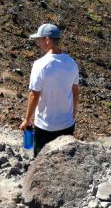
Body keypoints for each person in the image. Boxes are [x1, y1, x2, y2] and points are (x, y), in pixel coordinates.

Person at [19, 23, 79, 157]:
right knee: (64, 160)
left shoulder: (40, 65)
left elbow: (34, 95)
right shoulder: (72, 63)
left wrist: (27, 120)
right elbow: (75, 90)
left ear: (47, 40)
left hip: (46, 126)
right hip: (67, 124)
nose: (37, 42)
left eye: (39, 39)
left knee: (41, 161)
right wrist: (73, 111)